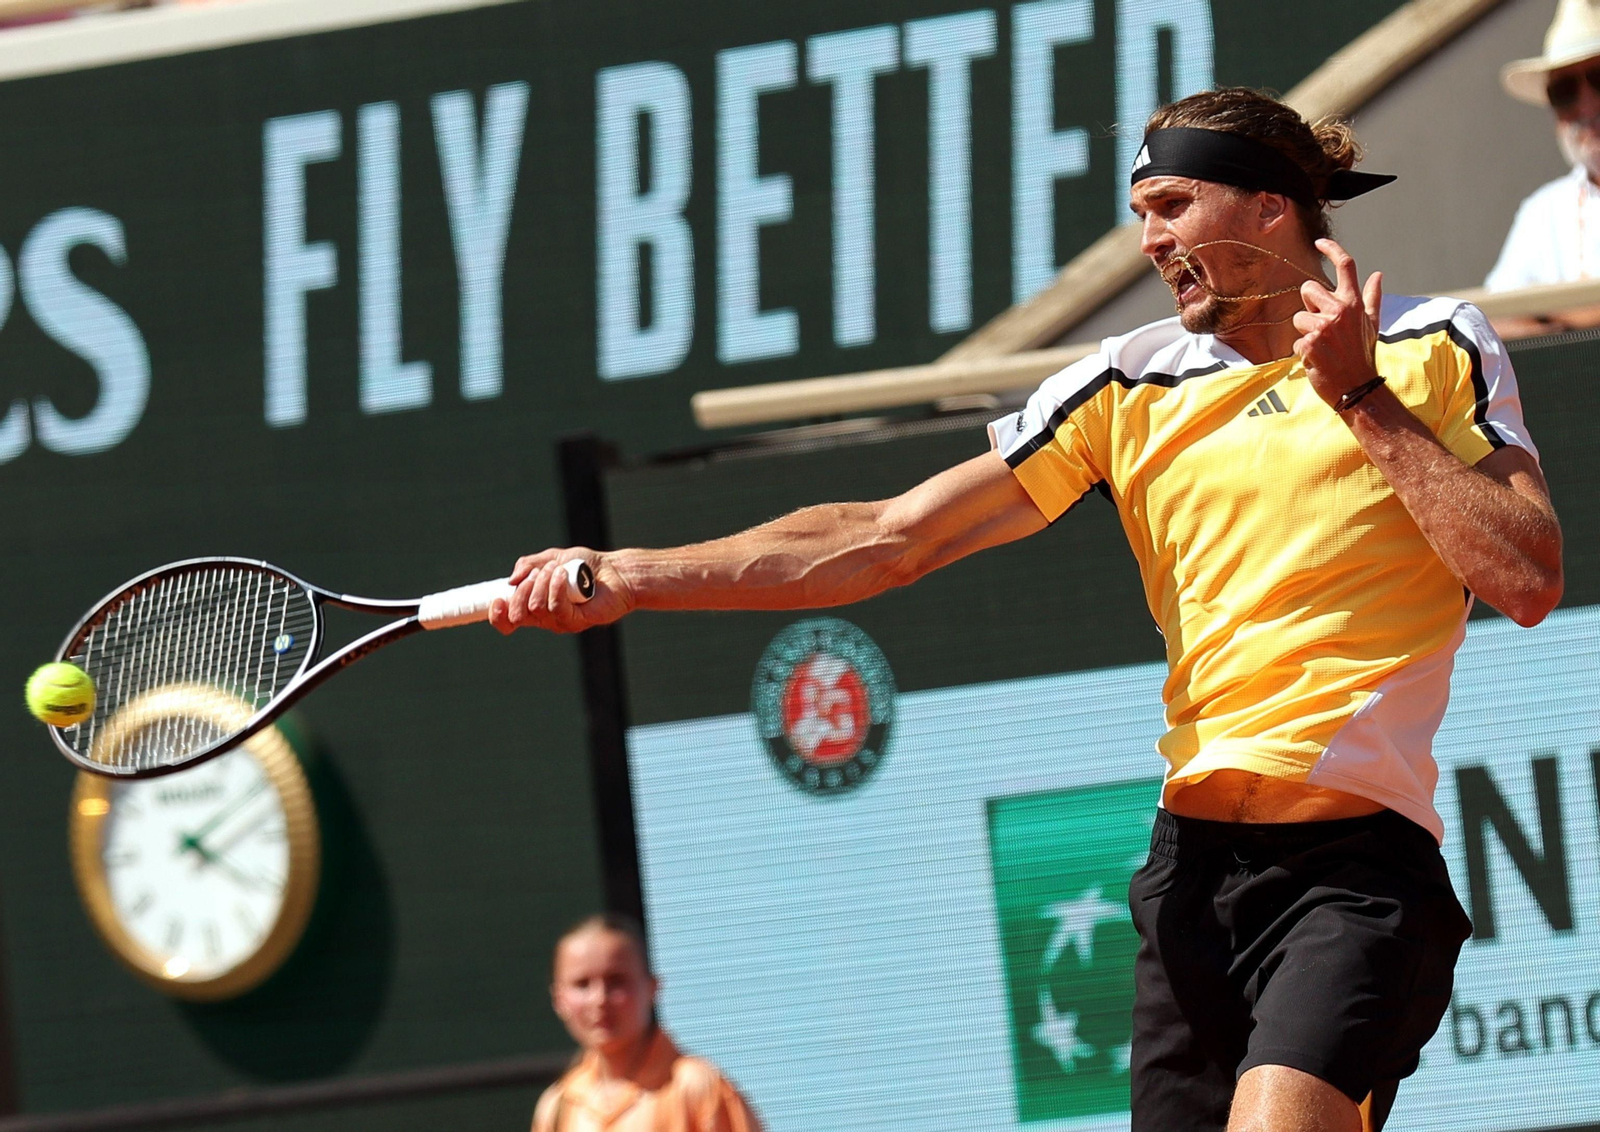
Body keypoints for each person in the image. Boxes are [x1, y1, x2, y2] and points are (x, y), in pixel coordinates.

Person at [495, 88, 1563, 1132]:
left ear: (1270, 206)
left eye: (1170, 206)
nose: (1146, 239)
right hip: (1190, 879)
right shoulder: (1122, 386)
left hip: (1355, 877)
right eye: (1140, 211)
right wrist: (629, 572)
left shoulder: (1432, 344)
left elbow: (1526, 579)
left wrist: (1362, 399)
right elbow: (885, 536)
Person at [532, 914, 763, 1132]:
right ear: (559, 999)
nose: (599, 999)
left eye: (616, 981)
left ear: (652, 987)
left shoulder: (697, 1088)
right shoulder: (558, 1106)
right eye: (582, 984)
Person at [1487, 0, 1600, 289]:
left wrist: (1553, 319)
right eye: (1564, 91)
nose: (1587, 108)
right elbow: (1495, 317)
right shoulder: (1545, 212)